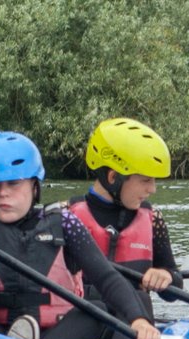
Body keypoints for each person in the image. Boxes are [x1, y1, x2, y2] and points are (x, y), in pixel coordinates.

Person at [0, 131, 161, 339]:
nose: (3, 193)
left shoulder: (65, 223)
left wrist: (138, 319)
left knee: (95, 311)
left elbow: (107, 278)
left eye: (14, 184)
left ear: (34, 185)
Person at [67, 118, 181, 320]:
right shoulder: (66, 217)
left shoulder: (153, 220)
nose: (152, 189)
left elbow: (174, 289)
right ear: (113, 177)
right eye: (145, 180)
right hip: (83, 322)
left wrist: (166, 277)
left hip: (135, 326)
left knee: (141, 298)